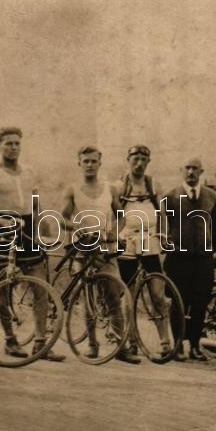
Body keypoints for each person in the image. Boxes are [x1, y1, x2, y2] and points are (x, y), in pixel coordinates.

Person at [0, 126, 65, 362]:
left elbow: (36, 206)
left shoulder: (29, 172)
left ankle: (40, 343)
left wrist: (43, 230)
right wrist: (4, 222)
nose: (13, 147)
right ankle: (10, 340)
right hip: (3, 232)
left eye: (17, 143)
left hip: (28, 230)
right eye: (8, 143)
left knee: (40, 286)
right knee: (4, 287)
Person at [59, 146, 140, 364]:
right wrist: (77, 227)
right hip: (82, 248)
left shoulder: (109, 189)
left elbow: (121, 215)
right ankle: (92, 344)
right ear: (79, 163)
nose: (89, 165)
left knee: (113, 294)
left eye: (93, 161)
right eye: (85, 161)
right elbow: (62, 219)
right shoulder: (72, 189)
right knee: (87, 296)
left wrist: (115, 231)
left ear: (99, 163)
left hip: (105, 249)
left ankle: (120, 347)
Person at [161, 157, 216, 362]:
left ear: (201, 171)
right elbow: (163, 228)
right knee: (179, 303)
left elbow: (215, 227)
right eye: (187, 168)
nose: (191, 172)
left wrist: (210, 251)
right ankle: (177, 346)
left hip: (203, 259)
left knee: (200, 303)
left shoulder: (211, 196)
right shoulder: (170, 197)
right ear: (181, 170)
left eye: (195, 168)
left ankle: (195, 346)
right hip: (179, 259)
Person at [115, 144, 167, 362]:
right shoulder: (119, 185)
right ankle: (131, 340)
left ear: (148, 162)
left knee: (157, 293)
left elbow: (163, 213)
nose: (139, 163)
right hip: (127, 239)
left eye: (143, 159)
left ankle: (165, 342)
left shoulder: (154, 184)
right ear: (128, 160)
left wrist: (162, 236)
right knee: (129, 292)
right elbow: (113, 214)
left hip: (149, 240)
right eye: (135, 159)